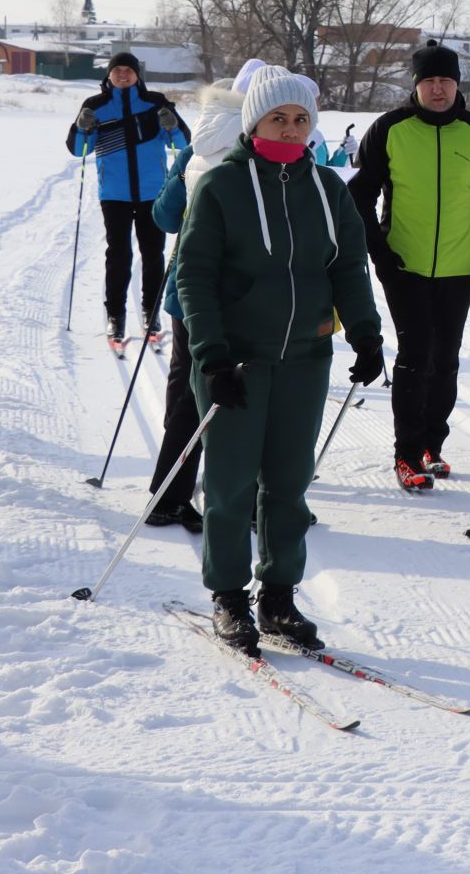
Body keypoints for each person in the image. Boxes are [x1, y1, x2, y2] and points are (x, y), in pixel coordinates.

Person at [174, 68, 385, 655]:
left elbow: (348, 266)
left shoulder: (327, 187)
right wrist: (211, 355)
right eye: (278, 118)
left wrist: (366, 335)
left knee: (290, 485)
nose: (291, 129)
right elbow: (193, 275)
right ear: (254, 121)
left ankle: (278, 597)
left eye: (300, 120)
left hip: (305, 358)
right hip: (235, 361)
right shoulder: (221, 186)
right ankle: (228, 597)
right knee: (231, 485)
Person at [347, 40, 470, 490]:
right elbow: (359, 194)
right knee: (415, 356)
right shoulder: (390, 129)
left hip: (458, 266)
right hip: (405, 266)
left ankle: (432, 445)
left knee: (447, 360)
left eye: (446, 81)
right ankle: (406, 453)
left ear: (457, 84)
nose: (438, 90)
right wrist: (380, 251)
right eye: (430, 81)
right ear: (416, 85)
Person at [142, 59, 273, 533]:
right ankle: (255, 502)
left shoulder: (196, 143)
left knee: (188, 392)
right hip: (252, 292)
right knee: (256, 397)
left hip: (189, 291)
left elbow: (164, 217)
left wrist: (184, 185)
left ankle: (168, 494)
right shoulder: (271, 143)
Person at [65, 52, 188, 348]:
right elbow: (79, 149)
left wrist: (171, 124)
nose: (122, 75)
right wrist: (83, 128)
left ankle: (151, 312)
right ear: (109, 75)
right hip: (115, 194)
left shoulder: (155, 103)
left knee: (153, 253)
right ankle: (115, 316)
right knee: (118, 256)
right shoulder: (95, 106)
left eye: (128, 70)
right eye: (117, 70)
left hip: (152, 192)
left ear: (137, 74)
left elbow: (182, 143)